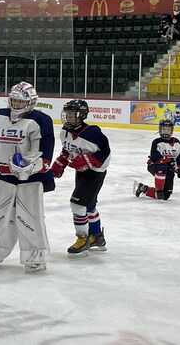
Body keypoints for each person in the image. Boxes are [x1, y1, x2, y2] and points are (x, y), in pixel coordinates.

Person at [0, 81, 55, 273]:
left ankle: (35, 254)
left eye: (20, 101)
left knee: (29, 217)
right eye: (14, 100)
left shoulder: (40, 120)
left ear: (31, 102)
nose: (16, 104)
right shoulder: (0, 116)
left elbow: (43, 155)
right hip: (3, 175)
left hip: (30, 177)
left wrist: (29, 167)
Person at [50, 100, 110, 258]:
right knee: (88, 206)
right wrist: (59, 164)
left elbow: (105, 153)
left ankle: (83, 239)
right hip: (81, 172)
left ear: (81, 115)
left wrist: (89, 161)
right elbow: (67, 151)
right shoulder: (64, 131)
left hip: (95, 173)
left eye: (72, 114)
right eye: (67, 113)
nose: (68, 116)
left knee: (77, 205)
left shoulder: (93, 133)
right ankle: (97, 237)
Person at [134, 119, 180, 200]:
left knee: (165, 195)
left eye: (168, 129)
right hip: (154, 166)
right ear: (160, 129)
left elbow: (178, 159)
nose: (166, 131)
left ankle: (143, 189)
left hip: (169, 169)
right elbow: (154, 158)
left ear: (171, 130)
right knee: (162, 168)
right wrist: (168, 161)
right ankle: (158, 190)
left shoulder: (177, 142)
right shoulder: (156, 142)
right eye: (164, 129)